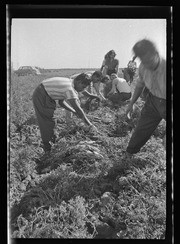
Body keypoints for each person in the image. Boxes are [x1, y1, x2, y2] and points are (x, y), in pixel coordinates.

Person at [32, 73, 98, 153]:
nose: (82, 90)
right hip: (42, 94)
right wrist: (90, 125)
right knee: (47, 121)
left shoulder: (70, 82)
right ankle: (48, 148)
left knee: (50, 121)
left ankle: (52, 142)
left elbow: (61, 102)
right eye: (83, 87)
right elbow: (79, 109)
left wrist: (73, 111)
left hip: (44, 93)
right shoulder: (69, 89)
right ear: (79, 82)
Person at [125, 38, 166, 155]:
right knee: (141, 129)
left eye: (149, 60)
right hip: (152, 101)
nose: (147, 64)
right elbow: (139, 85)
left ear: (156, 54)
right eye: (143, 60)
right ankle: (129, 153)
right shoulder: (143, 67)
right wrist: (131, 103)